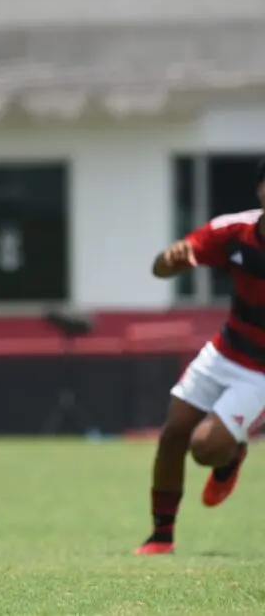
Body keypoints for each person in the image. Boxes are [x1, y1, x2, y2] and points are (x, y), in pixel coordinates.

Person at [135, 161, 265, 556]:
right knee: (174, 432)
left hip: (260, 372)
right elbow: (165, 266)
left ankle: (230, 454)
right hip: (225, 350)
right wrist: (170, 259)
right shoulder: (234, 231)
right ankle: (161, 536)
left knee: (204, 448)